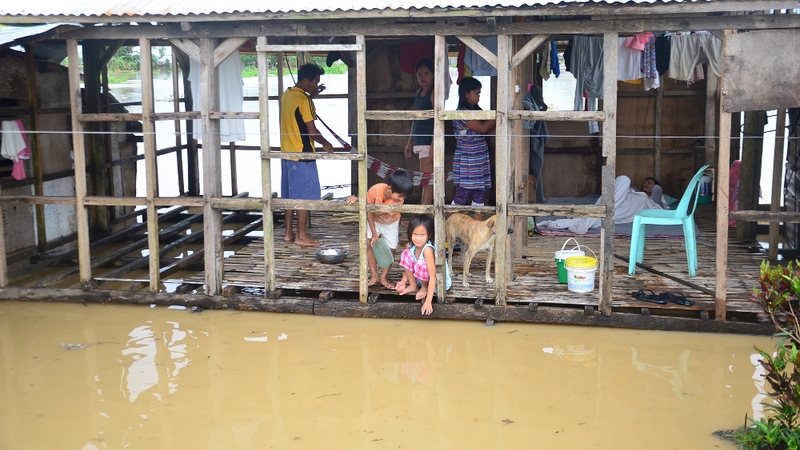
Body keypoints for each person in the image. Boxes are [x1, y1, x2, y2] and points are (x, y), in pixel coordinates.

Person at [280, 63, 334, 247]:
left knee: (289, 196)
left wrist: (313, 93)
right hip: (302, 155)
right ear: (305, 80)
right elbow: (312, 130)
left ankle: (289, 233)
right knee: (303, 196)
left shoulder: (288, 94)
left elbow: (298, 110)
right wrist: (326, 144)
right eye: (314, 82)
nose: (316, 85)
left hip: (287, 153)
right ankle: (301, 236)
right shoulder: (305, 101)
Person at [346, 169, 414, 289]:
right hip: (374, 221)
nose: (401, 199)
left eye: (404, 196)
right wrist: (374, 234)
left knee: (391, 248)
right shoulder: (375, 190)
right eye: (399, 195)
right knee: (369, 244)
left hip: (391, 222)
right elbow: (370, 214)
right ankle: (374, 275)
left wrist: (362, 201)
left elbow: (375, 212)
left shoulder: (399, 201)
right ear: (389, 188)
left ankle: (383, 277)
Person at [539, 175, 668, 234]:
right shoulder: (635, 191)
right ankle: (586, 221)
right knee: (623, 180)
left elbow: (662, 211)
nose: (646, 183)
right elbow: (620, 191)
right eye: (645, 182)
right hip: (616, 202)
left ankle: (585, 223)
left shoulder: (653, 200)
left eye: (649, 182)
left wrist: (656, 193)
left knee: (601, 218)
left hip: (624, 211)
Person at [395, 214, 451, 315]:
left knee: (420, 264)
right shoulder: (411, 246)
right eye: (415, 234)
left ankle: (424, 288)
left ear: (429, 235)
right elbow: (408, 263)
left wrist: (428, 301)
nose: (418, 238)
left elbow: (433, 277)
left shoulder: (427, 250)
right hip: (421, 279)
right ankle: (413, 285)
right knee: (406, 253)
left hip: (437, 283)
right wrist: (403, 282)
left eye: (422, 235)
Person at [452, 77, 495, 207]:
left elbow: (487, 131)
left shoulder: (477, 111)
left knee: (479, 197)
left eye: (479, 93)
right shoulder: (461, 113)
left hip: (480, 158)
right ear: (466, 93)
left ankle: (478, 227)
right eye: (476, 93)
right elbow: (483, 128)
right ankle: (447, 224)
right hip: (468, 160)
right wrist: (499, 113)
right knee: (462, 195)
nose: (478, 96)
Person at [404, 59, 435, 205]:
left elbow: (438, 121)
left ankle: (424, 217)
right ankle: (424, 216)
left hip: (428, 142)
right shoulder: (419, 92)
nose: (423, 77)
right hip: (419, 141)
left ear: (433, 75)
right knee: (426, 179)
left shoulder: (434, 93)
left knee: (427, 180)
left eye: (426, 74)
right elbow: (415, 120)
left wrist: (434, 145)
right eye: (419, 74)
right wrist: (410, 142)